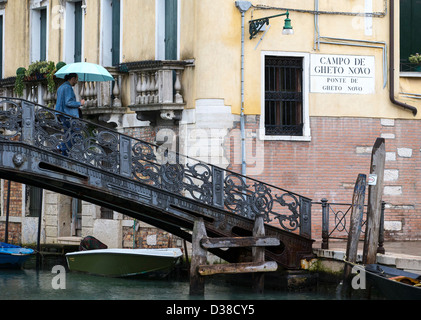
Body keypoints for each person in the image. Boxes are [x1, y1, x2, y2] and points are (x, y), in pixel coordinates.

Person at [55, 73, 86, 155]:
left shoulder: (61, 87)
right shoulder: (68, 87)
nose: (77, 82)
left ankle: (64, 153)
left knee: (68, 135)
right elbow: (68, 102)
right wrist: (80, 103)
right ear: (72, 78)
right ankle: (61, 148)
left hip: (62, 114)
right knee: (76, 134)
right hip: (69, 115)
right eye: (76, 79)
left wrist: (76, 107)